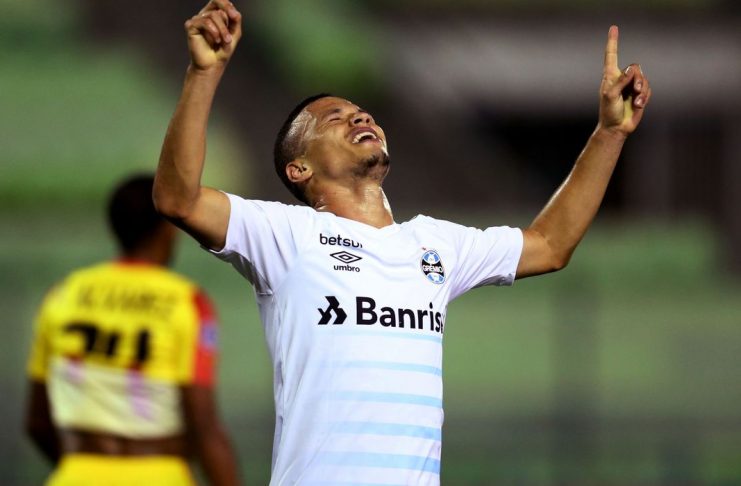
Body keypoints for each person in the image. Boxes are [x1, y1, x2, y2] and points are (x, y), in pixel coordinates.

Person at [153, 1, 651, 484]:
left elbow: (550, 244)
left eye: (363, 112)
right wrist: (204, 73)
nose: (360, 118)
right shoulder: (285, 234)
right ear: (299, 168)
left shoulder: (435, 244)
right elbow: (178, 199)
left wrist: (609, 133)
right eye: (334, 118)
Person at [25, 174, 241, 486]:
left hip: (76, 474)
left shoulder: (63, 294)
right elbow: (203, 427)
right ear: (169, 229)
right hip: (159, 473)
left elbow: (37, 423)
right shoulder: (187, 302)